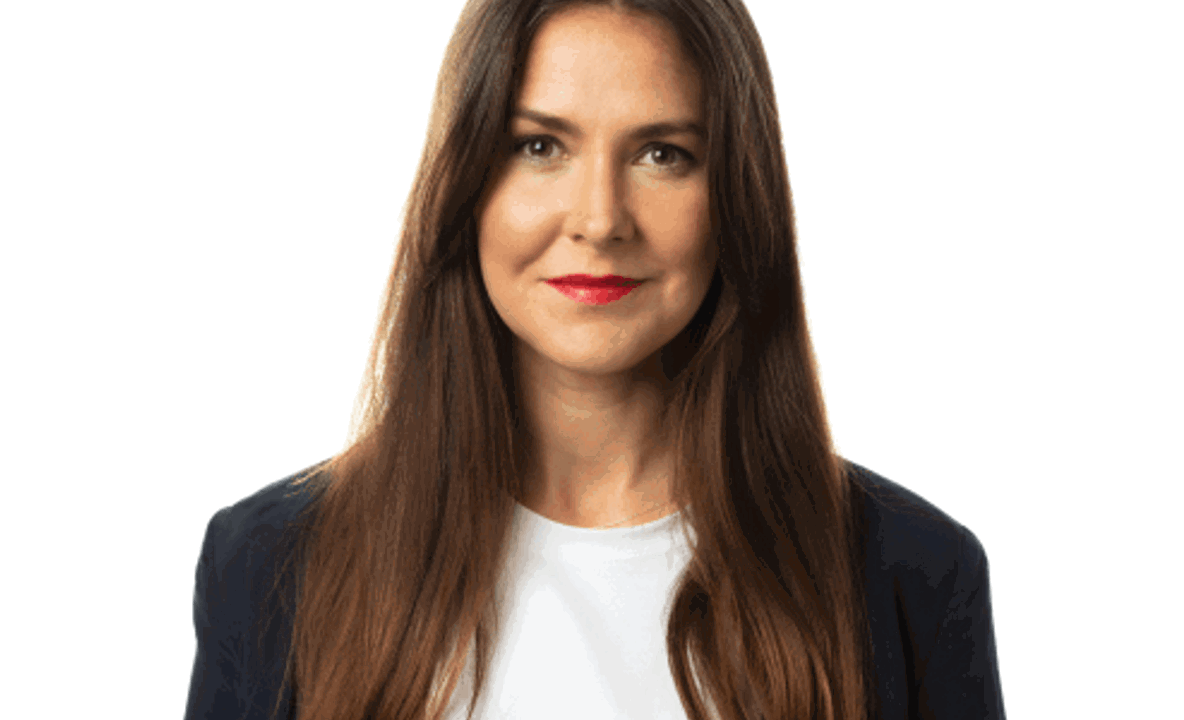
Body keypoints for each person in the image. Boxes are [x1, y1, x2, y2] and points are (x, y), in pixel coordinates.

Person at [185, 1, 1006, 718]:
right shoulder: (270, 563)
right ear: (465, 184)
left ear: (736, 196)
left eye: (663, 154)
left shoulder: (914, 576)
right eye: (540, 146)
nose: (601, 219)